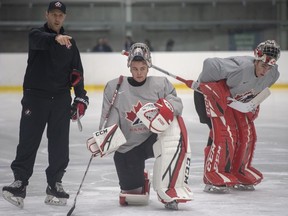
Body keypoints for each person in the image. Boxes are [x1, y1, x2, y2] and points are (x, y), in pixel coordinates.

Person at [2, 1, 89, 208]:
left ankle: (54, 184)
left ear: (64, 18)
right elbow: (38, 39)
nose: (57, 18)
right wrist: (55, 38)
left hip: (60, 99)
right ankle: (20, 183)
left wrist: (80, 97)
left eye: (61, 15)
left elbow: (78, 72)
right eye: (54, 14)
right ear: (47, 14)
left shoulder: (70, 44)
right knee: (28, 141)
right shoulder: (36, 35)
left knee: (59, 145)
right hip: (35, 98)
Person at [98, 43, 192, 210]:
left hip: (154, 138)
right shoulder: (115, 87)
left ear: (148, 67)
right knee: (134, 196)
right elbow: (109, 120)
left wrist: (165, 108)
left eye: (142, 68)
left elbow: (177, 105)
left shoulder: (160, 84)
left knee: (174, 127)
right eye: (135, 68)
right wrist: (105, 140)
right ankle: (138, 177)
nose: (139, 72)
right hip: (129, 146)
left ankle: (170, 187)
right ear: (129, 68)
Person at [193, 40, 280, 193]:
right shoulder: (240, 68)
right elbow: (208, 64)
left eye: (269, 67)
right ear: (256, 60)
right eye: (263, 66)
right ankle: (212, 174)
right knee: (223, 133)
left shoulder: (273, 74)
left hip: (233, 101)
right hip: (207, 95)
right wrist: (214, 90)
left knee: (246, 134)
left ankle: (238, 170)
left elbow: (257, 89)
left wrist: (252, 104)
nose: (265, 71)